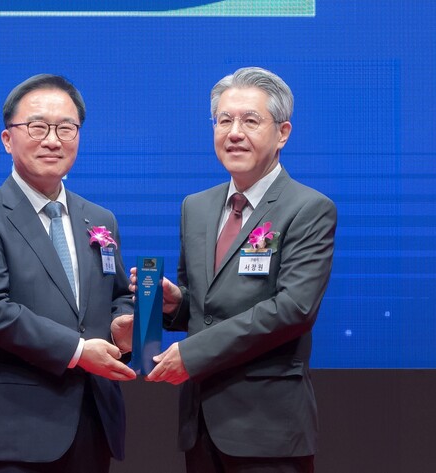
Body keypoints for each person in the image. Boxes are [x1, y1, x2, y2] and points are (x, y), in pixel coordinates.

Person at [144, 67, 337, 473]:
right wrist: (175, 304)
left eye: (250, 120)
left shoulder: (308, 208)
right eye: (224, 120)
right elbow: (204, 305)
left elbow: (294, 310)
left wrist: (193, 354)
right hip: (200, 425)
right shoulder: (195, 207)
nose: (234, 133)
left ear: (282, 133)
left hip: (269, 428)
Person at [0, 74, 135, 473]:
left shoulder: (100, 219)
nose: (53, 140)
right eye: (37, 127)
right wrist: (79, 351)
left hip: (93, 422)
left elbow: (118, 293)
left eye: (66, 128)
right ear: (7, 139)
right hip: (16, 430)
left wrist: (123, 323)